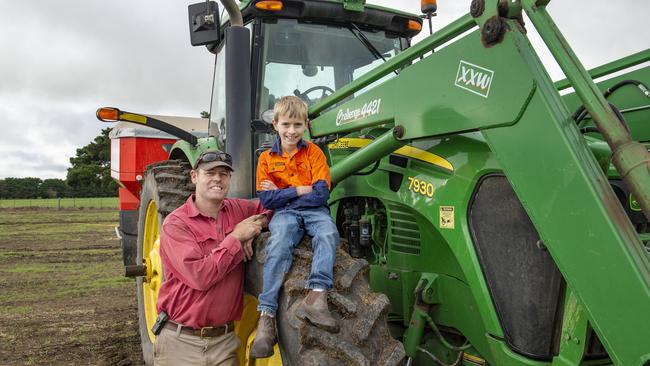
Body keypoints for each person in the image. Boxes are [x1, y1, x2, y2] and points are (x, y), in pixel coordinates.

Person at [154, 150, 270, 366]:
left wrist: (256, 225)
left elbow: (271, 208)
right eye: (210, 173)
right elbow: (201, 276)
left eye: (224, 174)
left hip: (225, 341)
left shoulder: (238, 210)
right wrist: (236, 238)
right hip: (181, 342)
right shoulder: (176, 224)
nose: (218, 179)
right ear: (194, 176)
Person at [250, 96, 340, 358]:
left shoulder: (314, 153)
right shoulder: (266, 159)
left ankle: (317, 296)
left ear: (306, 125)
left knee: (328, 233)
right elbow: (267, 199)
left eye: (297, 125)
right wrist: (300, 189)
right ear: (275, 124)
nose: (292, 131)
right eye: (286, 124)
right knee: (279, 242)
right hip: (285, 214)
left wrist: (283, 191)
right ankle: (266, 316)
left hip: (314, 211)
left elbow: (321, 194)